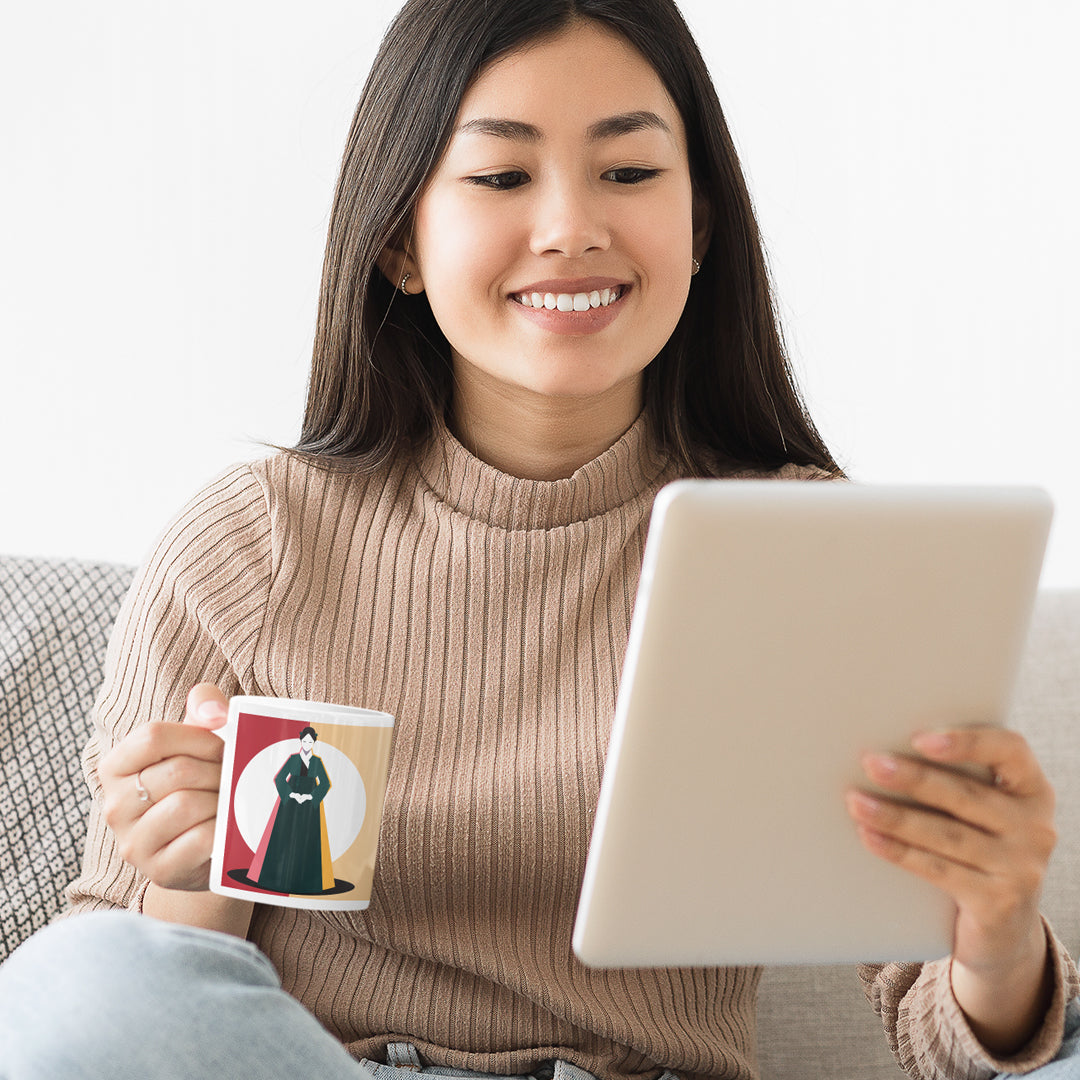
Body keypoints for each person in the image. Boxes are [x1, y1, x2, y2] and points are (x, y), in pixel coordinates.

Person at [0, 1, 1076, 1078]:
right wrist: (188, 879)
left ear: (700, 227)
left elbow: (947, 1037)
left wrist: (997, 929)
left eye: (629, 172)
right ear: (398, 243)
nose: (569, 226)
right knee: (85, 981)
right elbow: (106, 1005)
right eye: (502, 178)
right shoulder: (248, 546)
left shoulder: (805, 552)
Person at [248, 727, 334, 895]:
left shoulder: (316, 761)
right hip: (289, 802)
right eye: (305, 741)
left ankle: (306, 880)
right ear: (300, 741)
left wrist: (310, 797)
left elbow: (325, 783)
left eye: (310, 742)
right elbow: (279, 778)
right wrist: (291, 794)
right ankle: (274, 876)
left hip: (310, 804)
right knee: (283, 832)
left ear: (313, 743)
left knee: (308, 835)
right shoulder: (293, 759)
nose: (307, 744)